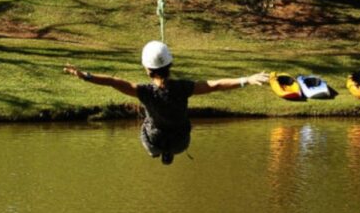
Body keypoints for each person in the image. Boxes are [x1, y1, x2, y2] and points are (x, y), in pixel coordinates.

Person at [63, 41, 269, 165]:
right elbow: (214, 85)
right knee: (177, 128)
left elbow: (111, 82)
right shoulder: (183, 88)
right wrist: (247, 80)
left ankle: (162, 152)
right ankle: (169, 151)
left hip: (153, 143)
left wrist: (85, 76)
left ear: (147, 69)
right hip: (181, 143)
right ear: (170, 65)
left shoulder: (143, 92)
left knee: (147, 123)